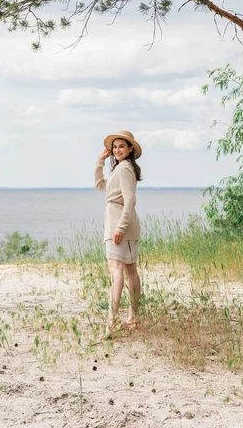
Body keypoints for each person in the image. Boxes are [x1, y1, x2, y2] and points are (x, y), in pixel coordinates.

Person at [95, 130, 142, 336]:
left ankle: (112, 319)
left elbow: (130, 199)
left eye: (121, 146)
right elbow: (100, 186)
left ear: (130, 149)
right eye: (115, 147)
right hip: (120, 222)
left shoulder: (124, 168)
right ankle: (132, 318)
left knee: (117, 270)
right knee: (129, 270)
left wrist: (120, 227)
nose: (117, 150)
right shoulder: (120, 168)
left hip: (120, 224)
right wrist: (100, 162)